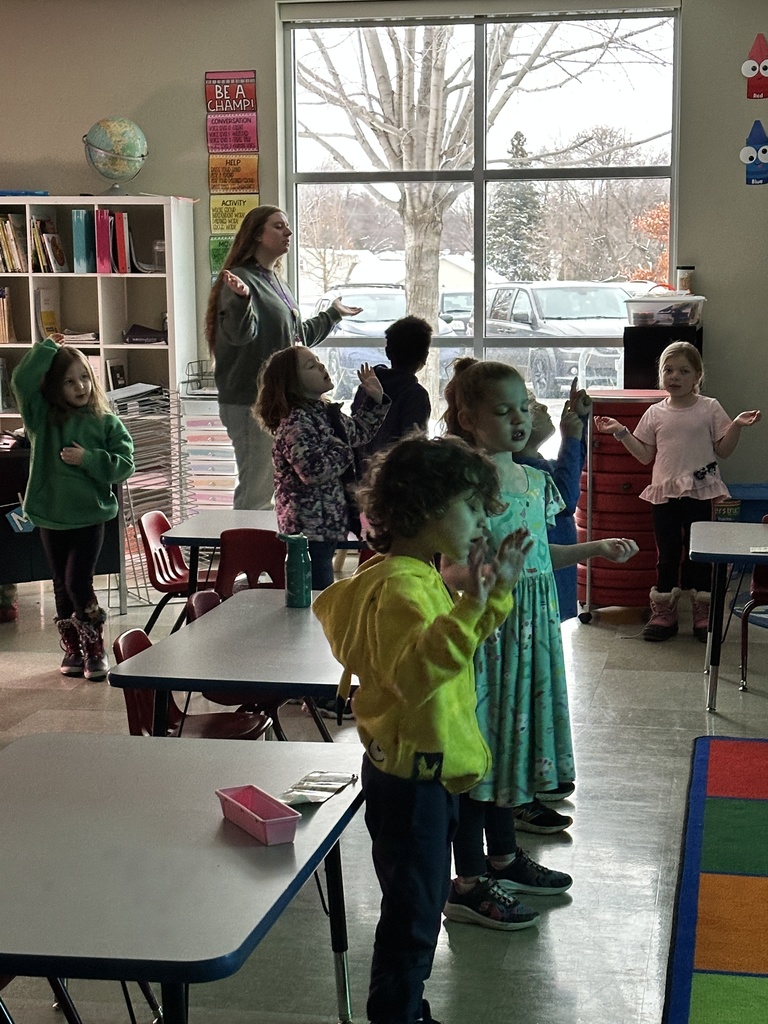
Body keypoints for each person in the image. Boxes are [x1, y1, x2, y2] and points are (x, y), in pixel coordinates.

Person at [313, 434, 534, 1024]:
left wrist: (493, 596)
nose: (483, 520)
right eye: (472, 506)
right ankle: (397, 1015)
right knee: (412, 915)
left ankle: (406, 1008)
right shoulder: (400, 590)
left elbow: (452, 652)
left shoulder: (415, 576)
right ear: (430, 509)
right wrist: (473, 603)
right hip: (412, 781)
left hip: (422, 774)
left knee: (423, 899)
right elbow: (416, 673)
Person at [441, 359, 637, 923]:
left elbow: (537, 556)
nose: (519, 420)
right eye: (502, 412)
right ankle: (470, 878)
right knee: (480, 759)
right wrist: (489, 575)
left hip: (532, 632)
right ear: (470, 422)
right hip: (489, 634)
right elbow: (452, 567)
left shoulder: (531, 478)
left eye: (524, 408)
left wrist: (593, 551)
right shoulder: (465, 481)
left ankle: (504, 859)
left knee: (509, 753)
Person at [595, 341, 761, 642]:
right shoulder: (655, 413)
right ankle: (664, 615)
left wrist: (735, 425)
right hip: (664, 495)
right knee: (668, 555)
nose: (675, 376)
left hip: (701, 492)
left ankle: (702, 614)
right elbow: (645, 455)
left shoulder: (709, 407)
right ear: (661, 375)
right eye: (668, 370)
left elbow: (723, 450)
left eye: (683, 371)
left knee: (700, 555)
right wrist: (621, 432)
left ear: (697, 375)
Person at [204, 205, 362, 511]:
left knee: (270, 488)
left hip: (275, 403)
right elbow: (240, 335)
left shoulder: (275, 280)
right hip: (248, 402)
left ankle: (264, 554)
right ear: (257, 235)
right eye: (278, 226)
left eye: (287, 226)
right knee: (256, 491)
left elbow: (295, 338)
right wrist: (241, 300)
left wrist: (333, 315)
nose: (288, 232)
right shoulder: (238, 280)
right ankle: (245, 556)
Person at [11, 336, 134, 679]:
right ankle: (74, 650)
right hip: (52, 517)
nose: (80, 386)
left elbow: (125, 464)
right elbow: (20, 380)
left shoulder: (106, 422)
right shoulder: (41, 419)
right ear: (54, 387)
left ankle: (95, 647)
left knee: (77, 581)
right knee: (61, 585)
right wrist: (47, 347)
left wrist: (89, 459)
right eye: (68, 381)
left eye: (84, 377)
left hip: (90, 517)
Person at [254, 346, 389, 590]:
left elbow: (358, 432)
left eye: (318, 361)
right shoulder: (296, 423)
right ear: (293, 384)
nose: (321, 367)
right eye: (311, 366)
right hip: (306, 531)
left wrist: (376, 400)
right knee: (315, 595)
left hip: (325, 526)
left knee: (322, 591)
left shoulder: (326, 413)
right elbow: (312, 472)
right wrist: (345, 451)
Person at [515, 378, 591, 620]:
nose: (545, 408)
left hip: (556, 565)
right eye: (533, 406)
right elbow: (566, 499)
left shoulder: (538, 463)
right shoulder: (525, 470)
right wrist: (570, 437)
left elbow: (572, 467)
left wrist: (579, 422)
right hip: (544, 571)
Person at [350, 315, 433, 465]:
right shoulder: (416, 395)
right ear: (425, 357)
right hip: (393, 477)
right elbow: (415, 447)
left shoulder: (367, 385)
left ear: (388, 351)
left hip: (361, 472)